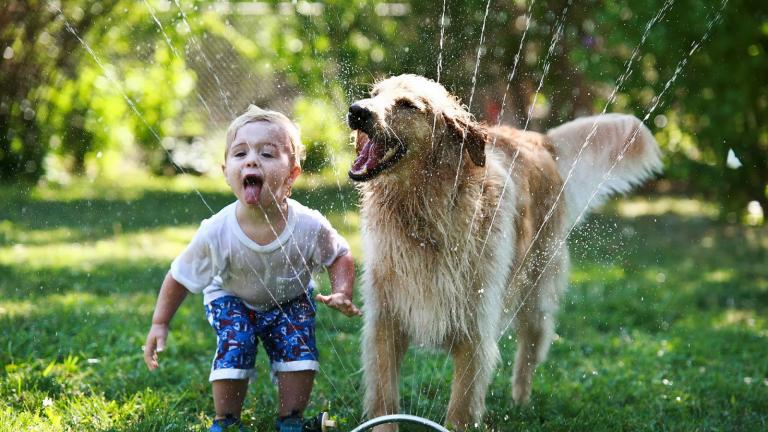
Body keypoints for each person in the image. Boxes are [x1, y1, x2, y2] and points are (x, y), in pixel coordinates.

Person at [143, 105, 361, 432]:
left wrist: (343, 290)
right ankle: (226, 421)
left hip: (290, 297)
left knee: (300, 353)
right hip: (232, 298)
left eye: (268, 154)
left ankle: (291, 421)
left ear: (292, 175)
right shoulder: (216, 230)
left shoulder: (308, 224)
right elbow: (180, 276)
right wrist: (160, 323)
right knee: (237, 341)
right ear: (226, 170)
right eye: (240, 153)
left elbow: (339, 254)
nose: (251, 160)